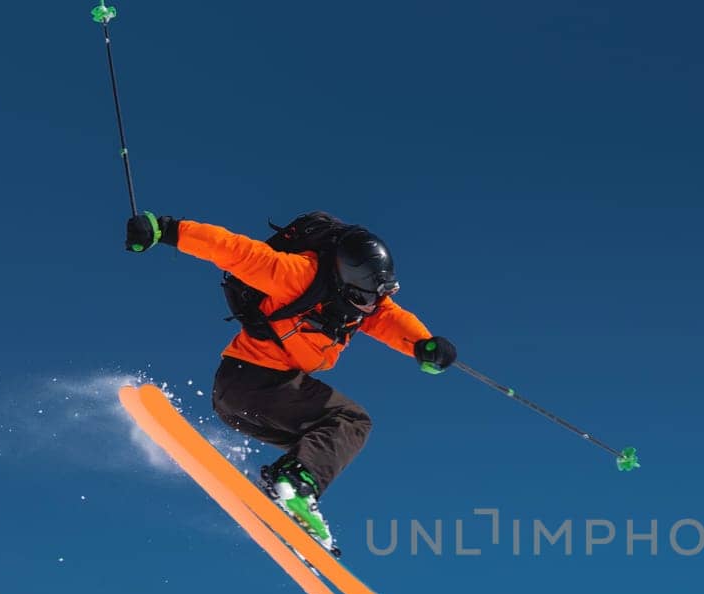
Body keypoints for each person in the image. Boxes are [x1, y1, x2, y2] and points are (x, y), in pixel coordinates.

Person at [124, 210, 458, 555]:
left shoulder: (365, 304)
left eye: (375, 297)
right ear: (342, 278)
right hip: (255, 379)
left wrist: (422, 344)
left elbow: (388, 318)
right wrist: (165, 230)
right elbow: (235, 250)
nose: (367, 307)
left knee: (323, 443)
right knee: (350, 421)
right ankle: (296, 483)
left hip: (240, 401)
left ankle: (294, 494)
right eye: (361, 298)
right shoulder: (299, 274)